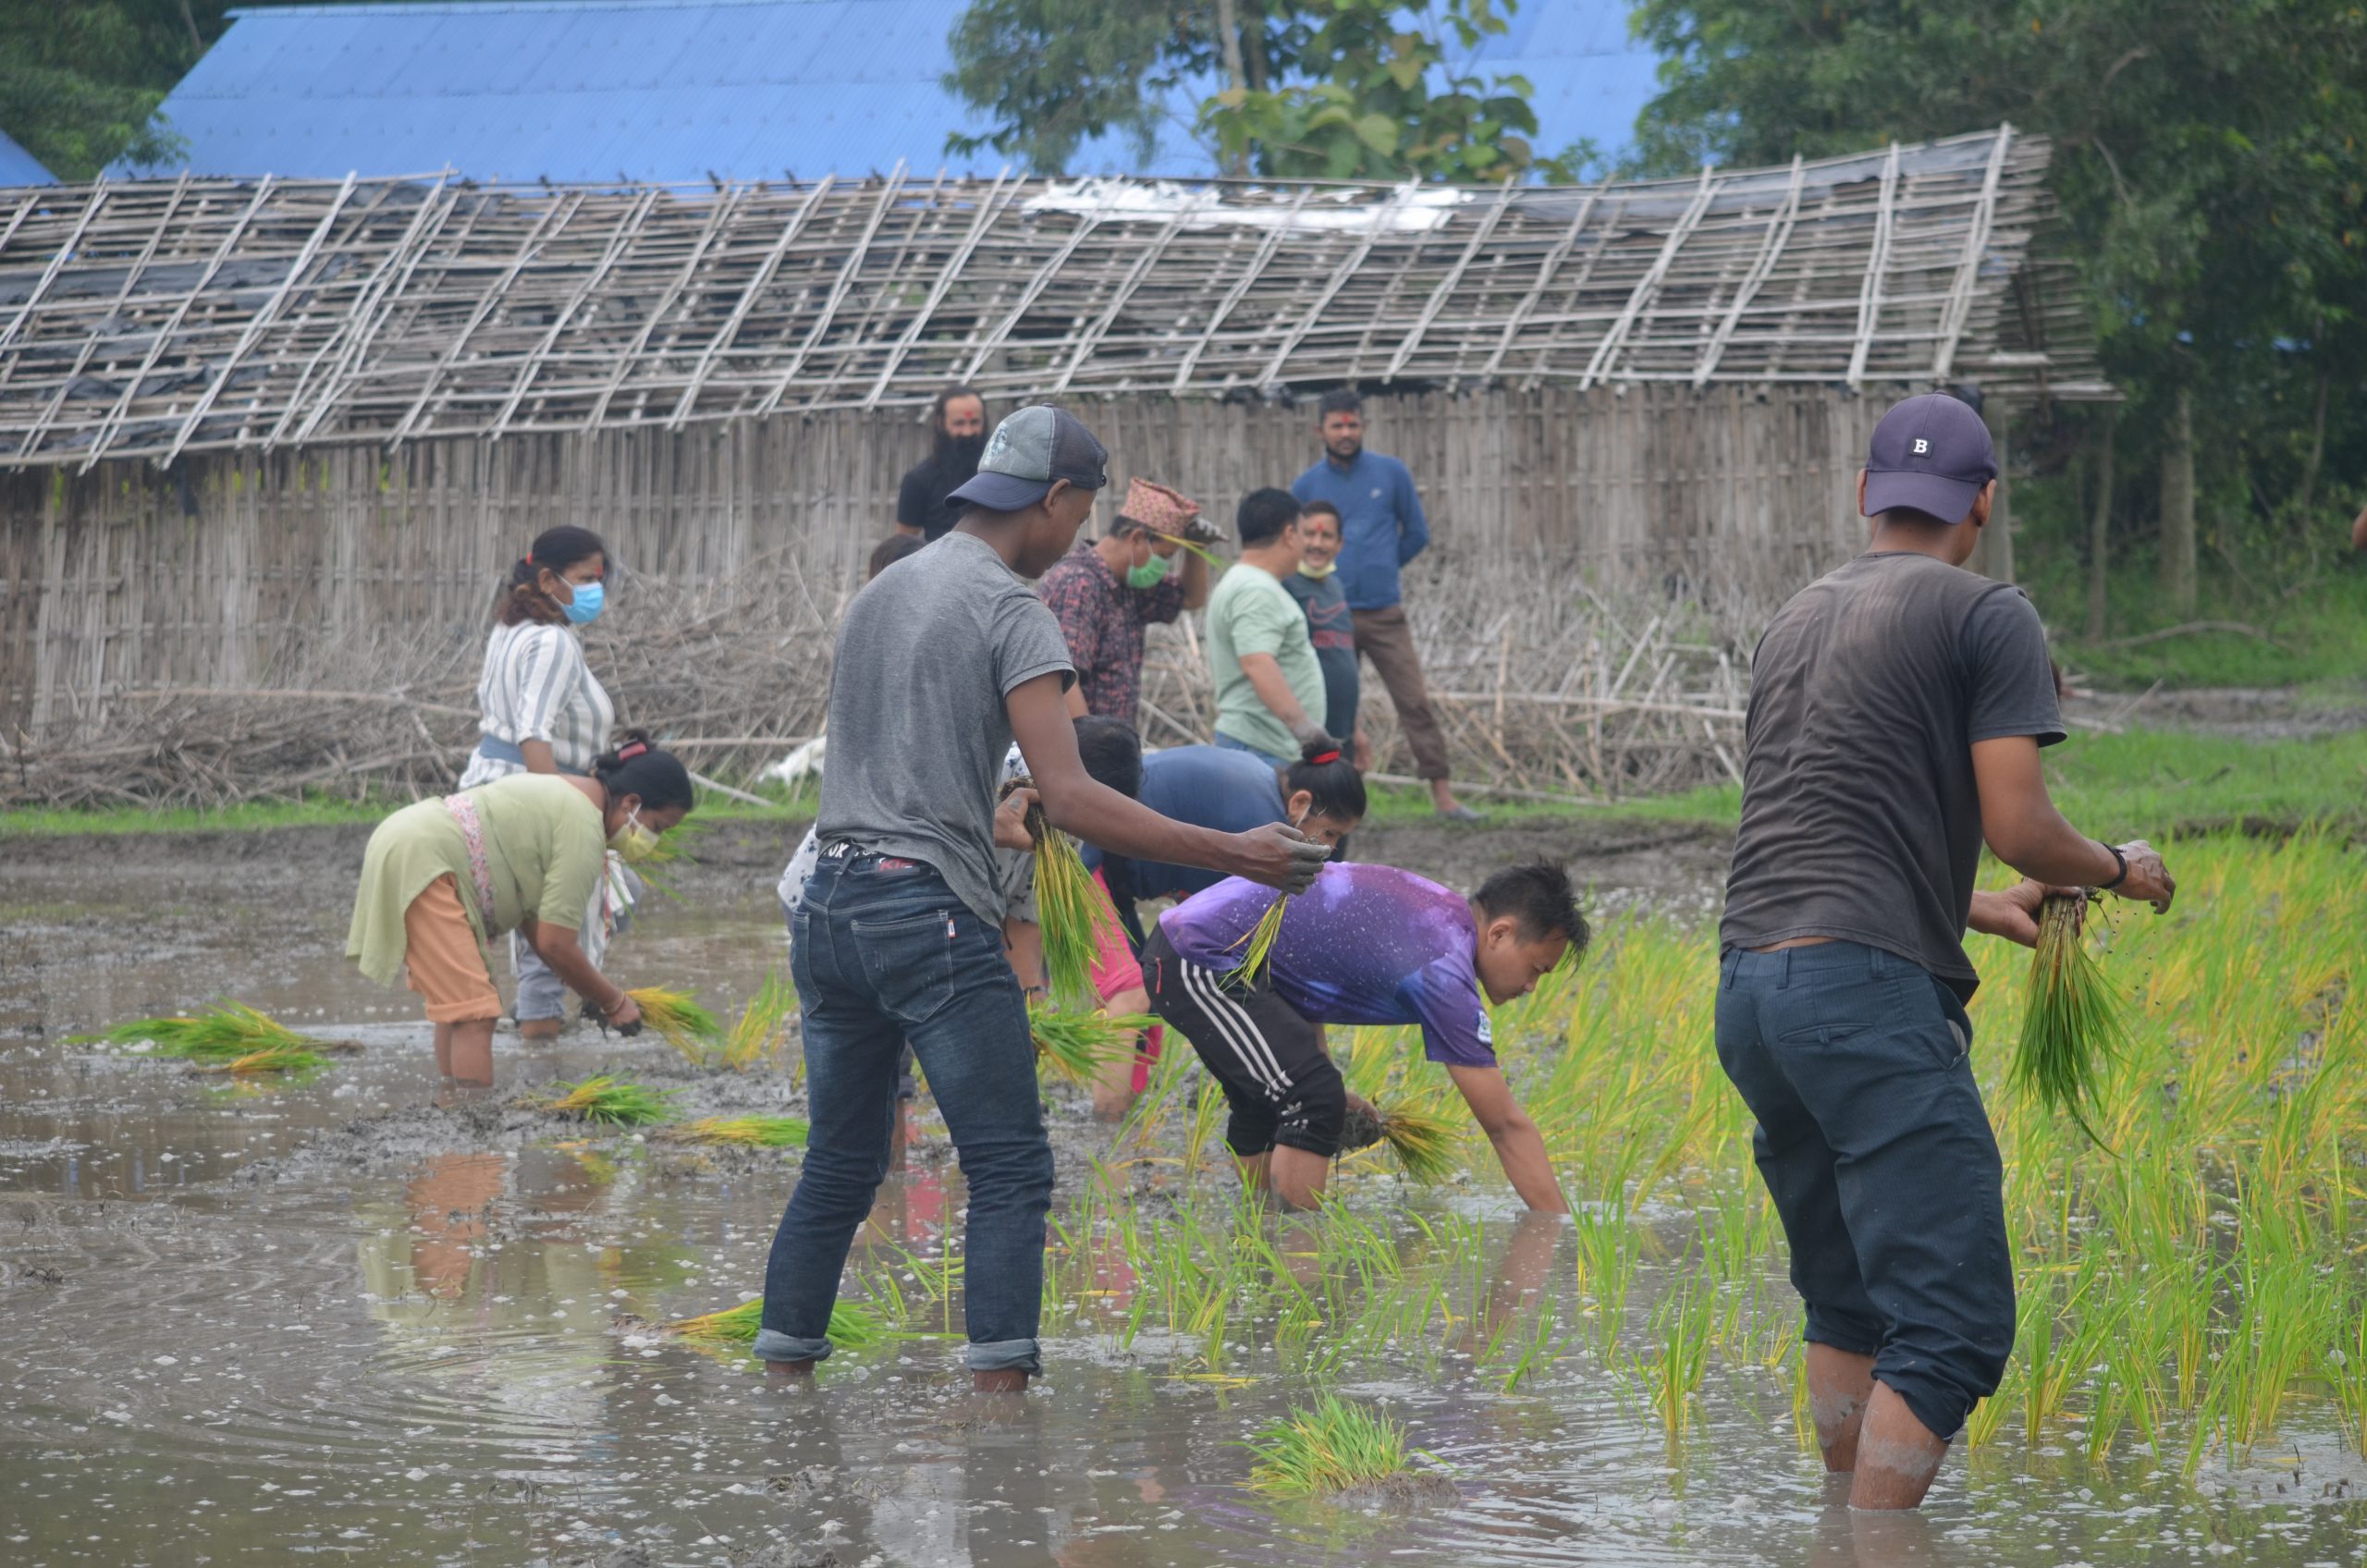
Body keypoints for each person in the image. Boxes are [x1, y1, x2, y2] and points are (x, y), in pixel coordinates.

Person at [759, 404, 1331, 1393]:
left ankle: (782, 1385)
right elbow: (1071, 794)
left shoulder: (884, 590)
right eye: (1080, 513)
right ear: (1056, 499)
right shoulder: (1009, 604)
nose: (1076, 534)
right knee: (1012, 1168)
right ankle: (1000, 1423)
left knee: (840, 1167)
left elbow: (909, 761)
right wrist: (1236, 851)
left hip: (831, 908)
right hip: (922, 912)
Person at [1717, 392, 2179, 1512]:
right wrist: (2116, 868)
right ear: (1981, 501)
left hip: (1751, 986)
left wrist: (1973, 906)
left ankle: (1838, 1525)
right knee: (1953, 1327)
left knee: (1846, 1303)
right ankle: (1877, 1549)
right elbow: (2020, 821)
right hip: (1862, 994)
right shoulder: (1987, 610)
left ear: (1867, 495)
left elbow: (1822, 826)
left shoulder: (1797, 614)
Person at [1143, 860, 1582, 1213]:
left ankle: (1262, 1242)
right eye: (1536, 969)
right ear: (1500, 933)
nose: (1531, 987)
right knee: (1311, 1100)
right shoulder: (1443, 969)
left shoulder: (1441, 913)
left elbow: (1299, 972)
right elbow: (1505, 1126)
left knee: (1276, 1099)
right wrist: (1562, 1232)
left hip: (1212, 952)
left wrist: (1323, 1075)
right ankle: (1299, 1275)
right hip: (1200, 957)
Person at [347, 733, 695, 1089]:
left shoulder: (564, 793)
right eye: (657, 828)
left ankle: (452, 1112)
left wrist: (585, 987)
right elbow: (556, 943)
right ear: (632, 803)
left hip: (410, 841)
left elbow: (537, 922)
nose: (655, 841)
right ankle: (471, 1122)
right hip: (426, 857)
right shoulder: (583, 825)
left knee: (456, 1010)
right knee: (475, 1013)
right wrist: (614, 1001)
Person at [1081, 739, 1368, 1117]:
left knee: (1146, 1003)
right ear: (1299, 804)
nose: (1329, 849)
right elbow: (1282, 970)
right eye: (1330, 833)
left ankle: (1118, 1121)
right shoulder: (1261, 832)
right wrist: (1326, 1079)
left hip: (1113, 871)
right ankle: (1103, 1137)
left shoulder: (1260, 783)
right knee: (1131, 997)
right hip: (1084, 866)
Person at [458, 525, 629, 1041]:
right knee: (571, 915)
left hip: (495, 783)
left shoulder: (513, 628)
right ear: (550, 579)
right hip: (531, 787)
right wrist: (558, 807)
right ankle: (540, 1031)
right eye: (585, 578)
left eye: (599, 579)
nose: (595, 588)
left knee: (544, 919)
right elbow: (534, 730)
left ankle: (540, 1023)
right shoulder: (552, 641)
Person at [1291, 388, 1476, 820]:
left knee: (1414, 700)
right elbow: (1298, 544)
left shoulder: (1390, 473)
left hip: (1384, 611)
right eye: (1338, 425)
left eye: (1353, 424)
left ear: (1364, 427)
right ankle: (1338, 804)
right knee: (1335, 708)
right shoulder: (1306, 485)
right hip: (1328, 613)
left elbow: (1416, 534)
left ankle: (1444, 796)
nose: (1346, 432)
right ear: (1321, 430)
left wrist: (1383, 565)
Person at [1038, 476, 1215, 727]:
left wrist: (1198, 549)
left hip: (1112, 744)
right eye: (1164, 556)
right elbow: (1063, 681)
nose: (1163, 567)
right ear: (1136, 538)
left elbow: (1190, 598)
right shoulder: (1079, 585)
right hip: (1085, 748)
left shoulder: (1128, 585)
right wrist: (1092, 749)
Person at [1205, 487, 1331, 768]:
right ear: (1289, 534)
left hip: (1261, 745)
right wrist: (1305, 729)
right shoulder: (1256, 590)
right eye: (1303, 533)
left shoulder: (1245, 582)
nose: (1306, 544)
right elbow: (1257, 663)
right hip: (1261, 748)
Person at [1281, 499, 1366, 769]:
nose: (1317, 543)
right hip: (1309, 728)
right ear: (1294, 536)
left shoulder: (1336, 587)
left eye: (1326, 536)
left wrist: (1357, 728)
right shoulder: (1286, 586)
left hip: (1343, 727)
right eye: (1310, 534)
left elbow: (1344, 657)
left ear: (1339, 543)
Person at [895, 384, 988, 543]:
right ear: (940, 423)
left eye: (974, 422)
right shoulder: (918, 480)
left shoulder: (997, 472)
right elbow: (904, 545)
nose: (968, 432)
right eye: (959, 423)